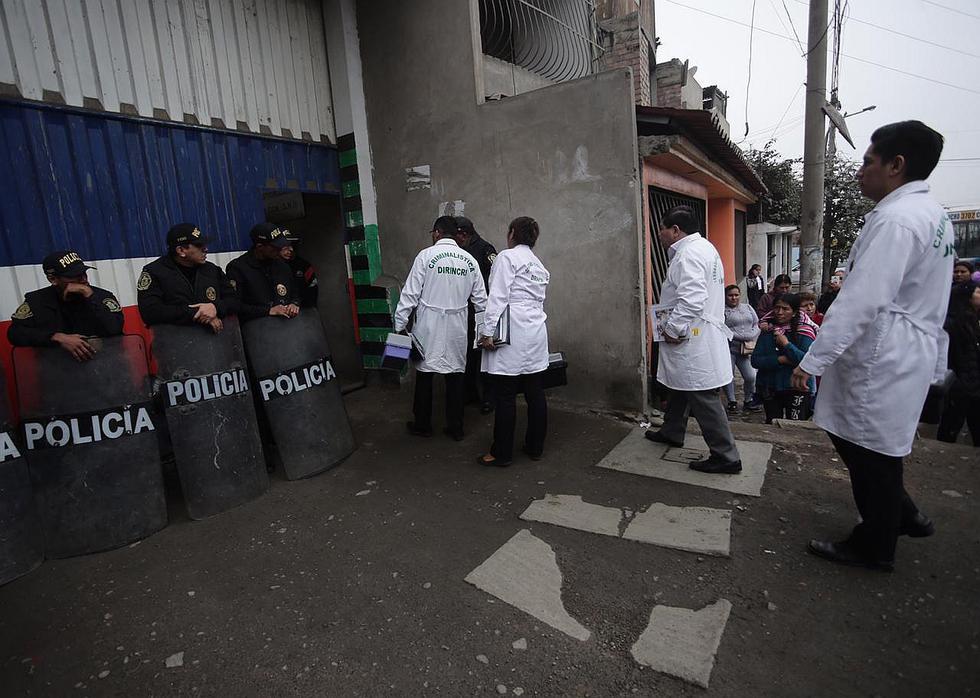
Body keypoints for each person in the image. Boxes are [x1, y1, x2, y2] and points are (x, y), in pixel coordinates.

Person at [792, 120, 951, 572]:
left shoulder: (898, 221)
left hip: (884, 353)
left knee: (868, 450)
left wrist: (814, 359)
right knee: (873, 446)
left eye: (868, 161)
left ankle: (875, 544)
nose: (860, 170)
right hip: (905, 349)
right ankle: (904, 514)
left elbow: (861, 299)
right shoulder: (932, 216)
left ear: (896, 166)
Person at [645, 205, 742, 474]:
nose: (660, 235)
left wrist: (672, 329)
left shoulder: (687, 255)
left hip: (693, 335)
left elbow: (691, 299)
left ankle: (726, 455)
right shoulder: (705, 248)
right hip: (700, 332)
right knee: (680, 385)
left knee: (702, 393)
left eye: (662, 229)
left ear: (675, 230)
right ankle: (672, 430)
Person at [393, 216, 487, 440]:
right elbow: (482, 301)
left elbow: (410, 293)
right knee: (455, 375)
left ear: (436, 233)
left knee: (425, 375)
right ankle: (456, 427)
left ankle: (422, 425)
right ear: (455, 234)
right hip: (457, 326)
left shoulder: (426, 256)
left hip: (428, 324)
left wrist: (399, 323)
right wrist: (484, 332)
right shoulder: (469, 260)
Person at [476, 217, 550, 467]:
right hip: (536, 331)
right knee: (534, 391)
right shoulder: (539, 266)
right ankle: (535, 446)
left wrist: (487, 332)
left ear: (511, 233)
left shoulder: (506, 258)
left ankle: (502, 453)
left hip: (512, 330)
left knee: (505, 395)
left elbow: (497, 296)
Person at [8, 250, 123, 361]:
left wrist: (90, 296)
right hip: (58, 372)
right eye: (74, 276)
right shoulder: (37, 301)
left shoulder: (102, 297)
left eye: (84, 273)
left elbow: (114, 329)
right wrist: (57, 337)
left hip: (103, 367)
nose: (83, 280)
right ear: (53, 279)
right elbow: (15, 333)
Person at [137, 223, 238, 333]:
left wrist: (215, 307)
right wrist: (196, 312)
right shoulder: (154, 272)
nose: (206, 249)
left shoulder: (212, 270)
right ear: (181, 250)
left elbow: (234, 301)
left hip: (214, 344)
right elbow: (150, 312)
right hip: (175, 344)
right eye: (199, 245)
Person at [751, 294, 816, 423]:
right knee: (773, 423)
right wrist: (780, 360)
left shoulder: (804, 331)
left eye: (785, 309)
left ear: (794, 312)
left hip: (797, 386)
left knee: (796, 426)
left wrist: (786, 345)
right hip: (770, 385)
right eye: (777, 308)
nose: (780, 312)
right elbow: (756, 360)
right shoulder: (768, 330)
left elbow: (807, 360)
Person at [455, 216, 498, 414]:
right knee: (469, 356)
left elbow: (496, 280)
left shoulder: (485, 249)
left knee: (485, 357)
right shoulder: (459, 251)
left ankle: (488, 398)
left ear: (464, 234)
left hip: (482, 312)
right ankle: (469, 393)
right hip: (465, 312)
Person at [226, 223, 300, 322]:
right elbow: (234, 305)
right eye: (275, 247)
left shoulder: (283, 266)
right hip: (256, 327)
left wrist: (294, 303)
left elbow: (295, 292)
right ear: (260, 247)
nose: (279, 250)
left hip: (286, 326)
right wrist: (267, 311)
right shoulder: (238, 268)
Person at [936, 281, 980, 446]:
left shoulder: (973, 319)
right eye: (978, 292)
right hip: (960, 385)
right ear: (967, 297)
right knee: (950, 427)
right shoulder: (954, 323)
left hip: (972, 384)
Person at [722, 284, 761, 412]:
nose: (734, 298)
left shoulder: (747, 307)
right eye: (730, 295)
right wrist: (741, 336)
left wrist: (753, 334)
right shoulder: (722, 311)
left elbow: (756, 323)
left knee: (751, 376)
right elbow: (723, 329)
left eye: (736, 295)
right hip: (729, 349)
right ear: (725, 297)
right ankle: (731, 401)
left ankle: (748, 400)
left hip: (746, 350)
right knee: (729, 375)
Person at [280, 232, 319, 308]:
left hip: (304, 309)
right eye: (285, 247)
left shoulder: (304, 265)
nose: (290, 250)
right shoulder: (274, 267)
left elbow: (313, 289)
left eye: (291, 246)